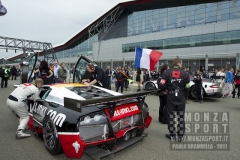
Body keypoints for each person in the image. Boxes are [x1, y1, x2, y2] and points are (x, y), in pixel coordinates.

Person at [158, 57, 189, 142]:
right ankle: (181, 136)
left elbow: (161, 84)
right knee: (181, 116)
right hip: (181, 96)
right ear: (179, 63)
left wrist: (164, 90)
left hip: (170, 96)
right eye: (181, 63)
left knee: (171, 116)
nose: (182, 64)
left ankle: (172, 135)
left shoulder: (167, 72)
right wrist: (185, 96)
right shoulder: (185, 73)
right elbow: (187, 87)